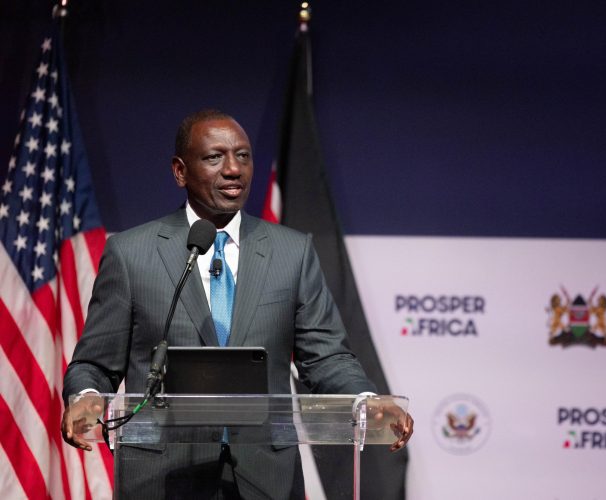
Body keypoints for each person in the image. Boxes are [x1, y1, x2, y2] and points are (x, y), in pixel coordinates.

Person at [61, 109, 413, 499]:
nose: (233, 169)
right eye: (215, 157)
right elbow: (94, 362)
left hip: (266, 475)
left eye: (243, 156)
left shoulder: (291, 252)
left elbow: (327, 357)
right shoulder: (131, 254)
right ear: (180, 171)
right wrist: (86, 397)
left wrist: (365, 399)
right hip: (163, 475)